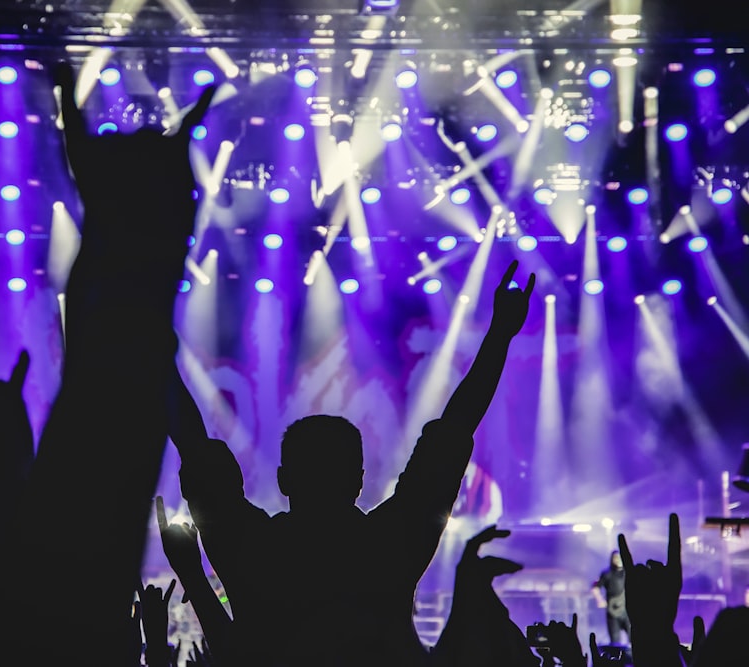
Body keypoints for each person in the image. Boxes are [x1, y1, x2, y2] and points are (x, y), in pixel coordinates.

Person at [168, 260, 534, 667]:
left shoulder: (252, 545)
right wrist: (500, 335)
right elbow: (455, 427)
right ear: (358, 480)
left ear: (285, 479)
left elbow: (193, 444)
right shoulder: (392, 542)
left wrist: (152, 353)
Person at [591, 550, 631, 647]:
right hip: (612, 612)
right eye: (615, 558)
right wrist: (599, 600)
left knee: (634, 637)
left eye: (619, 557)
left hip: (628, 611)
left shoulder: (628, 572)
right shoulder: (607, 573)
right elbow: (595, 587)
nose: (617, 560)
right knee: (615, 642)